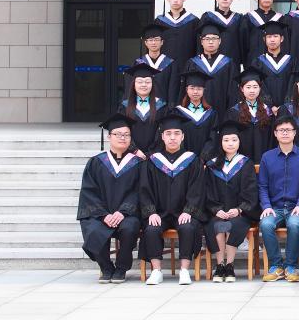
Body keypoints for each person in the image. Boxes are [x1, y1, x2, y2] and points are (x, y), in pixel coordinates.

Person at [139, 113, 205, 285]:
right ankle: (156, 271)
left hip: (183, 211)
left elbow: (197, 189)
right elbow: (145, 189)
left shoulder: (192, 160)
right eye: (168, 134)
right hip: (159, 212)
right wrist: (151, 212)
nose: (173, 137)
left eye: (177, 133)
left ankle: (184, 270)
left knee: (188, 227)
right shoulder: (153, 161)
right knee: (151, 229)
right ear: (162, 136)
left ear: (183, 136)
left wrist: (189, 210)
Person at [78, 114, 143, 284]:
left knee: (130, 227)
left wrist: (123, 212)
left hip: (127, 214)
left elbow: (140, 191)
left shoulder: (138, 163)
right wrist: (103, 215)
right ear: (109, 137)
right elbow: (89, 192)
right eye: (118, 134)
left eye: (126, 135)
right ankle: (106, 267)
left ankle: (121, 268)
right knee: (93, 228)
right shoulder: (96, 162)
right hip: (101, 214)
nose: (123, 138)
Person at [203, 119, 259, 283]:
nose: (230, 143)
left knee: (232, 224)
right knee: (217, 225)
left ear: (239, 142)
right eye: (226, 140)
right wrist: (216, 210)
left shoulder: (245, 163)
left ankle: (230, 265)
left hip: (240, 213)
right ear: (220, 142)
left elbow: (251, 191)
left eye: (234, 140)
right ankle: (220, 265)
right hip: (217, 212)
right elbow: (207, 191)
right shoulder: (212, 165)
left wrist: (239, 209)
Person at [258, 116, 299, 283]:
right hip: (275, 207)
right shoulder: (267, 157)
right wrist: (266, 206)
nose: (285, 133)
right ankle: (276, 266)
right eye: (281, 130)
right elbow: (262, 186)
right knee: (266, 224)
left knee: (295, 224)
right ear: (275, 133)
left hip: (296, 206)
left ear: (295, 133)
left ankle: (290, 266)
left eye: (288, 130)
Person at [184, 21, 237, 113]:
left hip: (222, 111)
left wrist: (231, 113)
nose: (211, 42)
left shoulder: (228, 63)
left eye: (214, 38)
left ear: (219, 41)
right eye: (207, 39)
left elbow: (233, 91)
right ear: (201, 41)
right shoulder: (192, 63)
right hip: (197, 112)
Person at [227, 69, 274, 162]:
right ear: (242, 89)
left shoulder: (268, 111)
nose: (252, 91)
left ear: (260, 89)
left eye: (255, 87)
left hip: (264, 157)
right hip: (241, 159)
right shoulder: (234, 112)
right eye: (248, 87)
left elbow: (271, 138)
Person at [119, 62, 165, 154]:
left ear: (152, 84)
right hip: (130, 154)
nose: (144, 85)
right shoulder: (125, 106)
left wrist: (152, 152)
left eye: (147, 82)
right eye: (140, 82)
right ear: (134, 84)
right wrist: (134, 150)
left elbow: (162, 131)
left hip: (155, 154)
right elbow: (122, 130)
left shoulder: (161, 106)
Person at [131, 22, 181, 105]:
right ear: (146, 43)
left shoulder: (170, 64)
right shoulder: (138, 63)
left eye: (157, 39)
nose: (153, 43)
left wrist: (170, 107)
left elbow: (173, 89)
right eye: (150, 40)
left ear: (162, 42)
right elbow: (133, 88)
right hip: (142, 106)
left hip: (163, 107)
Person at [202, 0, 246, 71]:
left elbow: (243, 42)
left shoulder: (239, 18)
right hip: (211, 63)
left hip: (234, 61)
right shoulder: (208, 17)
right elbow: (201, 41)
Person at [249, 20, 293, 108]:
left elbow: (292, 84)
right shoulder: (258, 62)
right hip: (265, 109)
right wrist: (269, 105)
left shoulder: (291, 61)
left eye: (275, 36)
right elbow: (258, 84)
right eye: (269, 37)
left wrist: (286, 106)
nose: (272, 40)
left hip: (287, 109)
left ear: (282, 39)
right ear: (264, 39)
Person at [242, 0, 286, 65]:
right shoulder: (248, 18)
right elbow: (244, 44)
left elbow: (284, 44)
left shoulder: (281, 19)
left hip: (276, 65)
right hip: (253, 64)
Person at [156, 0, 199, 71]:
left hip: (187, 67)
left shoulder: (194, 21)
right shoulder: (159, 21)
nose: (175, 0)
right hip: (164, 68)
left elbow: (198, 46)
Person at [173, 70, 217, 156]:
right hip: (184, 157)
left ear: (204, 90)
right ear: (187, 89)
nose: (195, 92)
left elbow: (213, 137)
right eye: (192, 88)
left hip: (205, 159)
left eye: (199, 88)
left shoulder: (211, 114)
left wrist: (204, 157)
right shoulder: (178, 112)